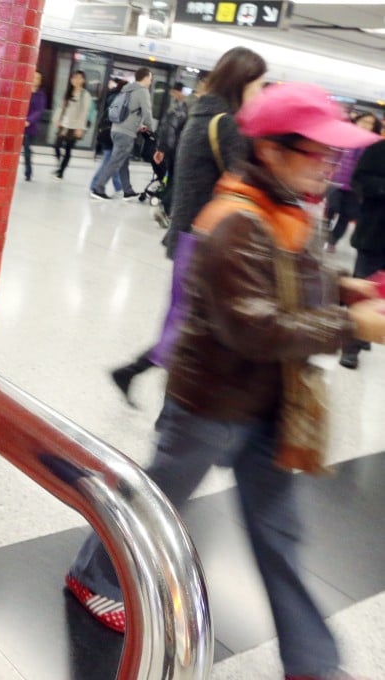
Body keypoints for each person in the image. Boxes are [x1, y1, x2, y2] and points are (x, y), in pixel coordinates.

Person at [67, 82, 385, 680]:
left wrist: (352, 290)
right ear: (271, 150)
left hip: (270, 405)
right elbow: (253, 326)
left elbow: (295, 285)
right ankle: (92, 576)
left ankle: (311, 660)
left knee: (279, 534)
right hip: (210, 402)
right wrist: (351, 323)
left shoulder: (291, 209)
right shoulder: (235, 219)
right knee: (159, 501)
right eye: (320, 153)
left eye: (333, 156)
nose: (331, 168)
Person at [110, 47, 267, 404]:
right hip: (209, 237)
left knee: (186, 320)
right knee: (191, 326)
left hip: (188, 233)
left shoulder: (202, 115)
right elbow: (244, 179)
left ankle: (138, 376)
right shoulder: (226, 123)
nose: (260, 93)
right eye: (258, 85)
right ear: (241, 83)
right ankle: (165, 401)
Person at [339, 127, 385, 368]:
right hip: (376, 233)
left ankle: (368, 331)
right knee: (364, 287)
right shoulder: (378, 150)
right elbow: (360, 181)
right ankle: (351, 347)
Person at [89, 67, 155, 200]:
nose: (151, 81)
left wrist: (138, 125)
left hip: (116, 129)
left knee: (122, 161)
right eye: (150, 78)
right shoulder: (142, 91)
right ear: (146, 78)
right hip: (126, 133)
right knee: (115, 162)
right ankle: (98, 188)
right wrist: (151, 129)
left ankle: (127, 190)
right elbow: (147, 113)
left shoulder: (127, 89)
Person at [323, 112, 380, 252]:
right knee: (330, 209)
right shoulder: (344, 135)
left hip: (355, 188)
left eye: (370, 123)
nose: (365, 125)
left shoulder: (374, 144)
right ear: (357, 121)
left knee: (345, 216)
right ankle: (324, 234)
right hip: (337, 181)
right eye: (363, 121)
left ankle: (332, 241)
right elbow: (333, 155)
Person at [150, 82, 190, 228]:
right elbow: (170, 130)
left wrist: (161, 148)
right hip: (179, 149)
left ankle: (165, 207)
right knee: (176, 180)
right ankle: (165, 207)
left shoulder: (176, 107)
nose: (173, 95)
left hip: (172, 149)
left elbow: (166, 130)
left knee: (173, 178)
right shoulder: (182, 107)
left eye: (174, 92)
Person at [52, 70, 92, 180]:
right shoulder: (68, 92)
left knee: (68, 149)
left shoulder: (85, 95)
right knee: (56, 146)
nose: (77, 80)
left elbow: (85, 112)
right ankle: (60, 165)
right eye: (75, 78)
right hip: (64, 124)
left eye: (80, 78)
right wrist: (57, 119)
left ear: (83, 80)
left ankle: (61, 172)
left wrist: (80, 128)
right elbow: (61, 107)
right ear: (71, 80)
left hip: (75, 126)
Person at [90, 78, 128, 195]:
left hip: (108, 133)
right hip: (112, 135)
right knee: (108, 162)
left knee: (112, 161)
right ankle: (95, 184)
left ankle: (118, 187)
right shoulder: (119, 99)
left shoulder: (112, 95)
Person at [23, 71, 47, 181]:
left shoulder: (41, 95)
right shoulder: (23, 90)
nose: (35, 79)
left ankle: (28, 173)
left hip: (30, 127)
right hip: (18, 125)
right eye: (34, 77)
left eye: (38, 78)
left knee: (27, 150)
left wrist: (29, 121)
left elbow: (39, 111)